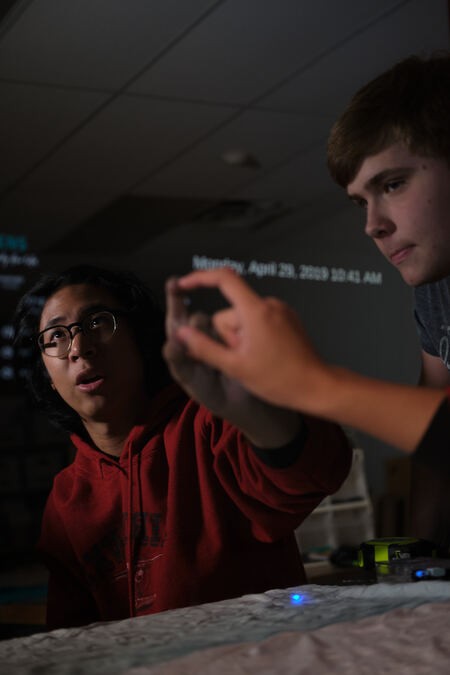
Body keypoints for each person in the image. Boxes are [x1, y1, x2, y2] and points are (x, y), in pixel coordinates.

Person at [168, 53, 450, 552]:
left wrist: (311, 383)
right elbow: (434, 422)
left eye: (393, 183)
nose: (372, 225)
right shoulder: (433, 289)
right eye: (362, 201)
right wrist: (420, 557)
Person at [13, 264, 351, 629]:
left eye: (98, 321)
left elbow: (315, 472)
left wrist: (252, 410)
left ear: (140, 339)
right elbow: (71, 639)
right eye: (56, 336)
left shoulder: (209, 422)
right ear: (46, 375)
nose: (79, 347)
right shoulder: (66, 499)